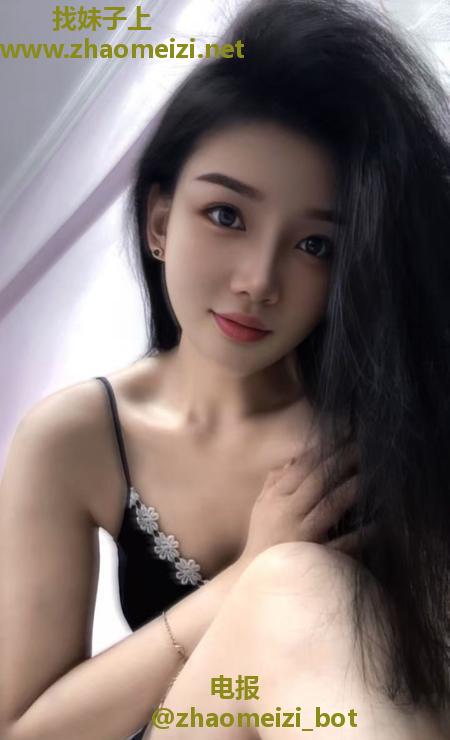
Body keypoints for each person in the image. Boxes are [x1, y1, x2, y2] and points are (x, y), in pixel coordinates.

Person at [1, 0, 449, 738]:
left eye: (315, 247)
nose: (258, 281)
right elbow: (26, 730)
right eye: (227, 216)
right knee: (294, 584)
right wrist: (248, 574)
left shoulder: (383, 431)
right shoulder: (76, 438)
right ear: (159, 222)